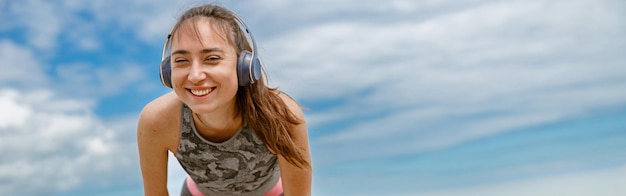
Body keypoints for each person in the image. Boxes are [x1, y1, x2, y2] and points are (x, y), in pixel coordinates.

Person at [137, 3, 312, 196]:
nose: (195, 76)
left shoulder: (282, 116)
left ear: (243, 67)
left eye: (212, 58)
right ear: (168, 72)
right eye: (181, 61)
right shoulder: (156, 121)